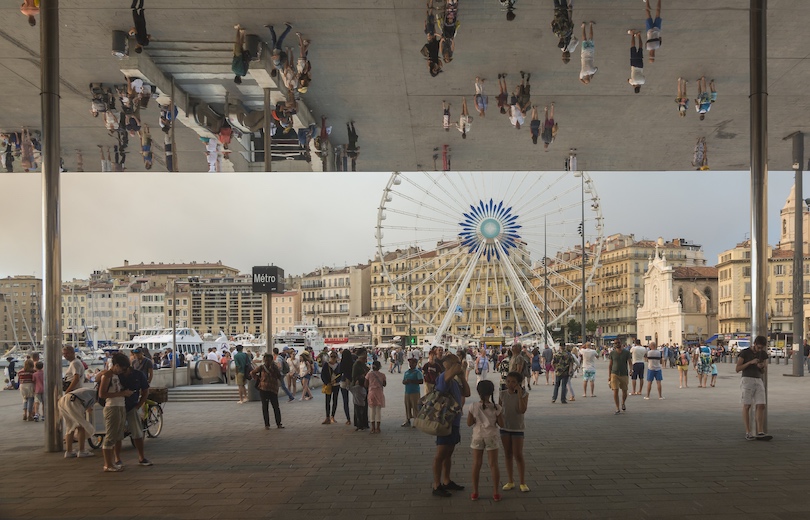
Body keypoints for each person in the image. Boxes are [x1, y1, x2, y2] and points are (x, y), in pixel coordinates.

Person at [432, 353, 471, 498]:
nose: (459, 364)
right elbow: (441, 389)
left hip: (454, 421)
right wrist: (455, 370)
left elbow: (467, 393)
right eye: (456, 363)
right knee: (440, 454)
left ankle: (447, 480)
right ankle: (436, 484)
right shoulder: (444, 377)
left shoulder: (454, 381)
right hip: (444, 421)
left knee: (448, 453)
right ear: (447, 364)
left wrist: (461, 376)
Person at [467, 380, 503, 502]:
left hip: (477, 436)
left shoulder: (473, 406)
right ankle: (496, 492)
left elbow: (469, 423)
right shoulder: (496, 407)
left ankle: (475, 492)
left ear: (478, 392)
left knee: (476, 464)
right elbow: (502, 424)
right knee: (493, 464)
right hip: (491, 436)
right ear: (492, 392)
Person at [98, 353, 135, 472]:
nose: (123, 371)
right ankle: (108, 464)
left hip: (120, 405)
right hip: (112, 407)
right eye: (123, 368)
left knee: (118, 435)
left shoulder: (115, 376)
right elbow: (102, 394)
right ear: (117, 365)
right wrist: (122, 394)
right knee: (110, 436)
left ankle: (112, 462)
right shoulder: (107, 376)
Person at [116, 358, 152, 466]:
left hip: (132, 406)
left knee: (137, 433)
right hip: (117, 406)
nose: (121, 372)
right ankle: (117, 458)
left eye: (123, 370)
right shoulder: (114, 375)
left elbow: (145, 390)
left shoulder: (138, 375)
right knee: (117, 434)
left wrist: (139, 405)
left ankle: (141, 457)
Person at [499, 371, 529, 493]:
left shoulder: (524, 394)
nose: (510, 384)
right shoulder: (502, 394)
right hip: (505, 427)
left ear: (519, 383)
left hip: (517, 427)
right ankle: (510, 481)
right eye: (508, 381)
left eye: (513, 382)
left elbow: (522, 410)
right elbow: (500, 410)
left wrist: (519, 394)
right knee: (507, 454)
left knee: (518, 454)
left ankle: (522, 482)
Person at [737, 335, 770, 440]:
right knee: (747, 405)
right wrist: (750, 362)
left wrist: (762, 367)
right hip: (747, 379)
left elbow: (764, 371)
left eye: (762, 348)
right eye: (758, 347)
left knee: (761, 405)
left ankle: (760, 431)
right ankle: (748, 431)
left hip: (758, 379)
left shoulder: (763, 354)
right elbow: (738, 368)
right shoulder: (745, 352)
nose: (759, 350)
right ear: (754, 344)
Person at [58, 386, 98, 459]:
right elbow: (90, 410)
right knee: (81, 426)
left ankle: (68, 451)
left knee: (70, 427)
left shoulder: (89, 390)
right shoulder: (95, 395)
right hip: (74, 401)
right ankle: (82, 451)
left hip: (63, 400)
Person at [251, 354, 284, 429]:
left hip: (267, 389)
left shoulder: (269, 367)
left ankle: (271, 424)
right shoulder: (267, 367)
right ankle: (273, 424)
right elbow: (279, 376)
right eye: (266, 360)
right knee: (271, 407)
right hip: (269, 389)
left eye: (267, 360)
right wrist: (258, 379)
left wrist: (259, 379)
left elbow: (252, 372)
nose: (267, 361)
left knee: (270, 407)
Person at [609, 340, 632, 414]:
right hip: (614, 373)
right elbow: (610, 365)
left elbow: (630, 362)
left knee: (624, 391)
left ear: (621, 343)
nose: (617, 344)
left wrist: (631, 370)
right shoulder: (612, 353)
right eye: (615, 343)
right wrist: (609, 375)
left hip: (624, 373)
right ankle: (617, 407)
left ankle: (623, 402)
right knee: (615, 390)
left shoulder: (626, 352)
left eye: (618, 343)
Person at [402, 356, 424, 428]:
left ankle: (416, 421)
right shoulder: (406, 372)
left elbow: (421, 381)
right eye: (410, 363)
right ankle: (408, 419)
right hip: (407, 391)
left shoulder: (417, 372)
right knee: (407, 406)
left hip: (415, 392)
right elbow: (403, 381)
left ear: (415, 364)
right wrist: (405, 382)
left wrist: (412, 381)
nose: (411, 364)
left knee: (415, 407)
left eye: (412, 363)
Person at [366, 361, 387, 434]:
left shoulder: (369, 374)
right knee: (378, 411)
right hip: (379, 393)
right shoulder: (382, 375)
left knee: (372, 410)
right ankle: (378, 428)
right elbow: (384, 384)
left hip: (371, 392)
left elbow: (365, 384)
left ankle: (372, 428)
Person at [352, 349, 370, 431]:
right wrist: (364, 375)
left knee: (364, 405)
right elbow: (354, 377)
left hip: (364, 386)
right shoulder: (357, 365)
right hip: (359, 387)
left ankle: (364, 422)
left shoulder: (362, 364)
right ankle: (359, 423)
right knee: (359, 406)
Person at [321, 351, 341, 424]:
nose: (333, 358)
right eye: (331, 356)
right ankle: (327, 417)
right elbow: (323, 375)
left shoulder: (338, 365)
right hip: (328, 385)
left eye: (334, 357)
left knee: (335, 401)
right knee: (327, 401)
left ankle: (333, 416)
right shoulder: (326, 365)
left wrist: (336, 381)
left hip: (336, 385)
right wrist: (327, 382)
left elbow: (340, 375)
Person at [337, 349, 354, 424]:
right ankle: (358, 417)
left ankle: (348, 419)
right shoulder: (353, 363)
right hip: (352, 382)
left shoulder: (341, 363)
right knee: (356, 400)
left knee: (345, 401)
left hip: (344, 382)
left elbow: (339, 372)